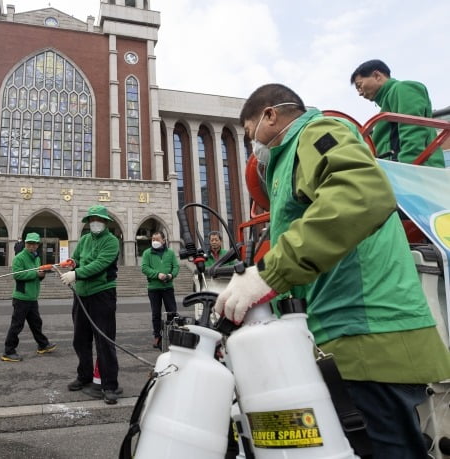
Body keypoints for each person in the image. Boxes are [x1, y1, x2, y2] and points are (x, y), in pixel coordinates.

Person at [214, 83, 450, 458]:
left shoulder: (317, 132)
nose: (252, 145)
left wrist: (268, 274)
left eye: (249, 132)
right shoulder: (288, 160)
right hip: (344, 340)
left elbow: (361, 194)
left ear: (270, 116)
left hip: (369, 336)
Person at [59, 205, 121, 405]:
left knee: (104, 340)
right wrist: (72, 263)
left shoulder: (111, 241)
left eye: (99, 219)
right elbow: (77, 258)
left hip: (102, 294)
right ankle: (84, 375)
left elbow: (100, 264)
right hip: (82, 295)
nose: (95, 222)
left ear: (105, 222)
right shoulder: (85, 240)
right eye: (92, 219)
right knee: (80, 339)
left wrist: (76, 274)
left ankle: (109, 384)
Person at [350, 59, 445, 167]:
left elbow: (412, 130)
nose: (360, 93)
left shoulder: (403, 88)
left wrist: (409, 168)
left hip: (414, 172)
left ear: (377, 76)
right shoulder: (387, 105)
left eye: (359, 85)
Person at [1, 232, 56, 362]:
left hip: (32, 297)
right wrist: (36, 274)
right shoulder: (19, 258)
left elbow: (37, 276)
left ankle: (43, 345)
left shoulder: (36, 257)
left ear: (38, 245)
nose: (32, 246)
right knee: (17, 325)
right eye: (29, 244)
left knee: (36, 323)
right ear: (25, 244)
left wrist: (42, 275)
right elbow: (18, 276)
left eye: (34, 244)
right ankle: (8, 351)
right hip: (21, 298)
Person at [140, 231, 180, 350]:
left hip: (168, 287)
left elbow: (176, 267)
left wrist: (170, 276)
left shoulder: (171, 253)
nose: (155, 242)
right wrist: (157, 275)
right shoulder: (147, 253)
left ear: (164, 240)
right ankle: (157, 336)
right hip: (154, 288)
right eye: (153, 239)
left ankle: (173, 335)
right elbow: (144, 268)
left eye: (157, 239)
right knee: (156, 313)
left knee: (172, 312)